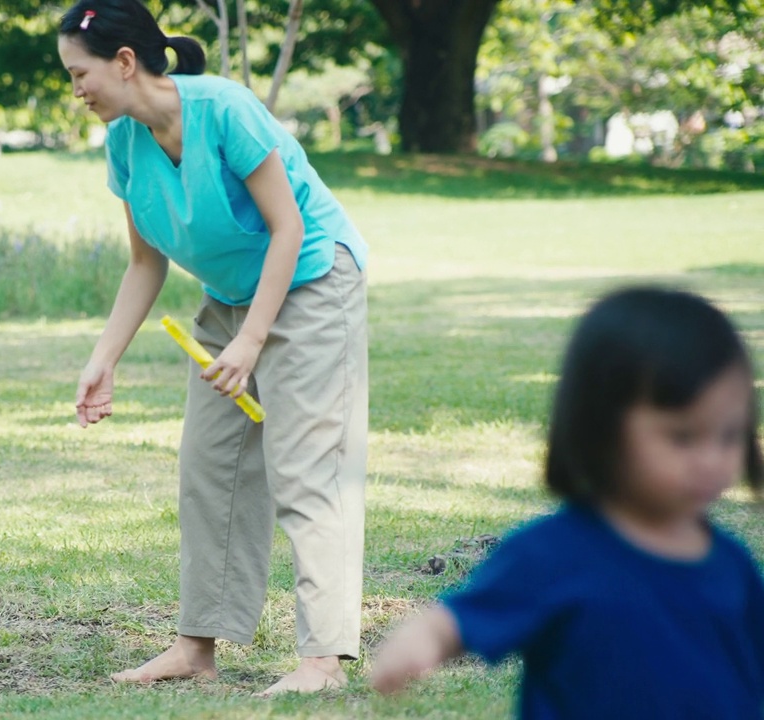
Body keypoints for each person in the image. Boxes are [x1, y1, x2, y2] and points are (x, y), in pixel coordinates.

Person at [57, 0, 370, 696]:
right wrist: (104, 357)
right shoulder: (125, 143)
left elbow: (287, 228)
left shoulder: (225, 110)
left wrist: (253, 342)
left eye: (80, 73)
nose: (75, 88)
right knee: (210, 468)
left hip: (313, 279)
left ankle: (323, 660)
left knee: (305, 464)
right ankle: (196, 646)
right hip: (229, 299)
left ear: (125, 62)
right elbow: (146, 264)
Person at [371, 287, 764, 718]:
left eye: (730, 435)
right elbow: (462, 618)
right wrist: (421, 640)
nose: (711, 460)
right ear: (601, 429)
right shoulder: (554, 554)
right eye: (682, 437)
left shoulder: (731, 564)